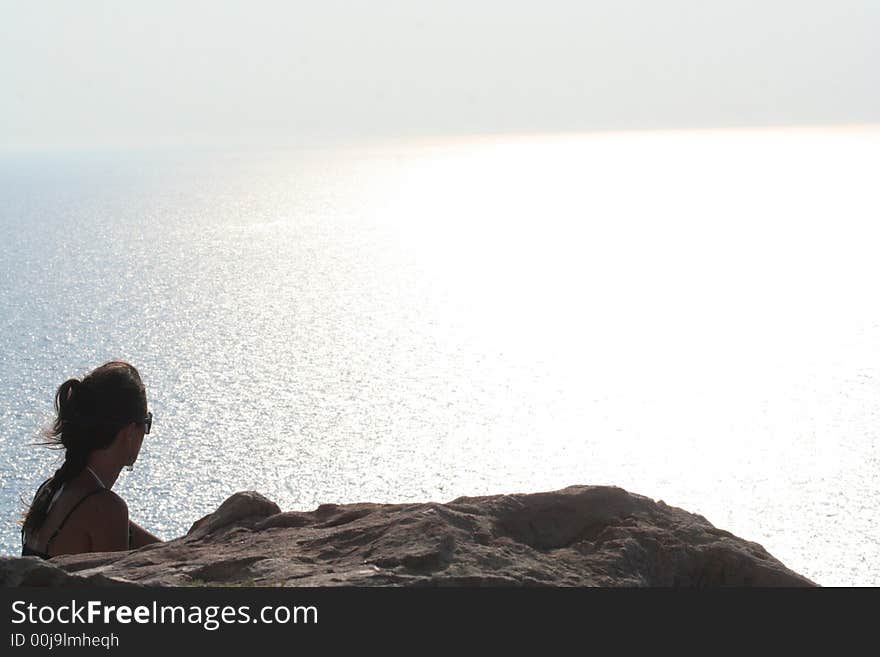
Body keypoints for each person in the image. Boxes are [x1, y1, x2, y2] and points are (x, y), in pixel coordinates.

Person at [21, 361, 163, 559]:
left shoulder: (50, 491)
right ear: (130, 432)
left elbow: (160, 551)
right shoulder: (105, 509)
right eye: (146, 422)